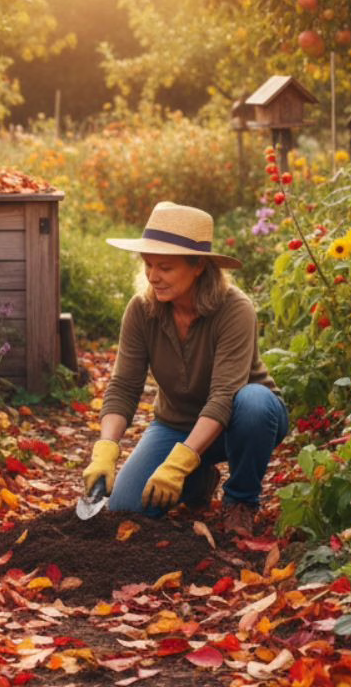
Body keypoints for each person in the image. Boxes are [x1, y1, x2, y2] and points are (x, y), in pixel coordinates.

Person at [81, 202, 288, 537]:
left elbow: (224, 397)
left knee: (254, 402)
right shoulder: (142, 311)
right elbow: (123, 386)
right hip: (176, 424)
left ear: (199, 266)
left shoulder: (235, 310)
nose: (152, 276)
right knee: (127, 509)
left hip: (241, 423)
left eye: (165, 267)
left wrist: (177, 462)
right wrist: (105, 450)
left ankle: (240, 502)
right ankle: (197, 481)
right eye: (148, 265)